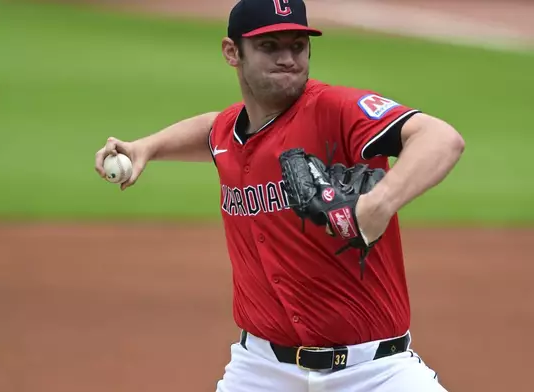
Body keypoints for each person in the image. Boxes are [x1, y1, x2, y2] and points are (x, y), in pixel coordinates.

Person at [94, 0, 465, 391]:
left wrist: (380, 202)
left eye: (297, 46)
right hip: (260, 371)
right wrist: (146, 147)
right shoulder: (230, 132)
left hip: (375, 372)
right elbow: (212, 130)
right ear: (232, 52)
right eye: (270, 46)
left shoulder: (335, 109)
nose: (288, 58)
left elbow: (442, 138)